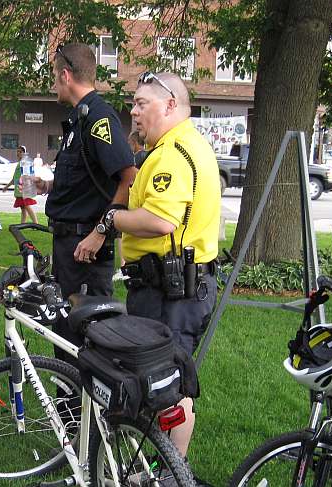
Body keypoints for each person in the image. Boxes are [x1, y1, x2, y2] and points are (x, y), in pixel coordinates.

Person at [105, 72, 221, 470]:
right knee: (168, 378)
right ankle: (166, 465)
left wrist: (113, 218)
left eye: (142, 103)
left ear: (170, 105)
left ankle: (173, 469)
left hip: (170, 291)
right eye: (134, 104)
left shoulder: (172, 152)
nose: (134, 112)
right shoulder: (191, 144)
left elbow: (159, 220)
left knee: (170, 384)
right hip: (178, 285)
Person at [33, 43, 136, 367]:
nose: (53, 84)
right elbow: (92, 178)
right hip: (69, 247)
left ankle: (91, 415)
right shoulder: (79, 119)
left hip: (86, 251)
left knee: (88, 340)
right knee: (65, 335)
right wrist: (51, 185)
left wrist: (100, 233)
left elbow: (129, 178)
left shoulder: (99, 119)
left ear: (66, 75)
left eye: (54, 76)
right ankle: (69, 412)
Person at [2, 145, 38, 223]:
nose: (18, 153)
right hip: (19, 190)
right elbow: (15, 178)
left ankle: (35, 223)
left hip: (24, 189)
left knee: (26, 206)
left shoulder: (25, 163)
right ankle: (22, 223)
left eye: (20, 152)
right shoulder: (20, 163)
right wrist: (7, 187)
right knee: (23, 207)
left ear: (24, 153)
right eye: (17, 151)